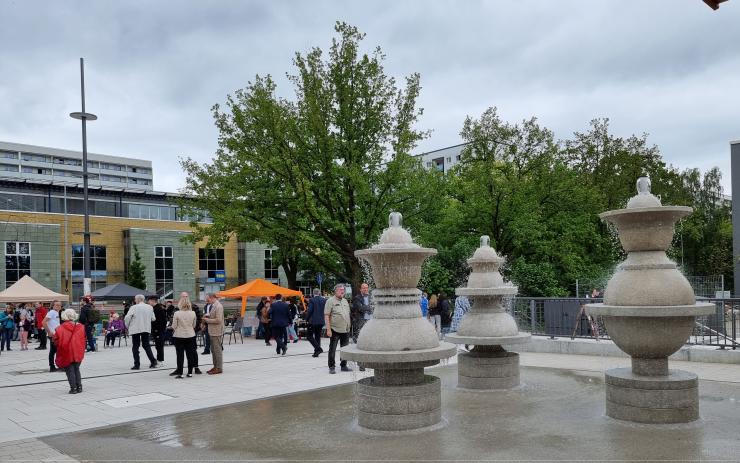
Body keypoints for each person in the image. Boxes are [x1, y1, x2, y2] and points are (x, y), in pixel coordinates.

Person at [54, 308, 86, 394]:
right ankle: (79, 387)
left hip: (66, 351)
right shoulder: (81, 327)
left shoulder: (59, 328)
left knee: (69, 370)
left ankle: (73, 388)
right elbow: (83, 339)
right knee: (76, 369)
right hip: (78, 351)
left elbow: (56, 341)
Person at [124, 294, 158, 370]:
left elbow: (127, 317)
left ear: (138, 300)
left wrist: (127, 326)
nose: (135, 301)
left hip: (135, 328)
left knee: (135, 346)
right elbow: (153, 318)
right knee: (146, 345)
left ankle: (137, 364)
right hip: (145, 328)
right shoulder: (149, 307)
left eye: (135, 299)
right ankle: (153, 361)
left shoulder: (134, 307)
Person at [325, 284, 351, 374]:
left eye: (343, 290)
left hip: (345, 329)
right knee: (332, 348)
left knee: (345, 348)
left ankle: (343, 365)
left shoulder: (345, 301)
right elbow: (326, 315)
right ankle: (331, 366)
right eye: (340, 290)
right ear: (335, 291)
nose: (342, 291)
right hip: (334, 329)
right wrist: (328, 329)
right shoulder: (330, 301)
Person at [170, 295, 198, 378]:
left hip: (179, 336)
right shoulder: (193, 313)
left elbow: (174, 326)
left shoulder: (177, 313)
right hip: (190, 335)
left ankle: (180, 373)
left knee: (180, 355)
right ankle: (189, 373)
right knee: (190, 354)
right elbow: (194, 325)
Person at [201, 293, 224, 375]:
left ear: (212, 298)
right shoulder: (213, 305)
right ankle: (215, 366)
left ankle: (219, 368)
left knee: (217, 350)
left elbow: (218, 320)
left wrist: (207, 320)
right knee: (213, 350)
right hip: (212, 330)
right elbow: (214, 316)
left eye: (208, 299)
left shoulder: (218, 306)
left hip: (216, 331)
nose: (207, 300)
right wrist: (208, 315)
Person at [306, 288, 326, 357]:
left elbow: (310, 311)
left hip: (313, 321)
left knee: (309, 336)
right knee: (318, 336)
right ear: (319, 293)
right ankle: (316, 352)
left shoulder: (312, 300)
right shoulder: (324, 300)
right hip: (321, 321)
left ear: (313, 293)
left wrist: (307, 319)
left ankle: (318, 349)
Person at [44, 301, 62, 372]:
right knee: (54, 351)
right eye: (57, 305)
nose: (58, 306)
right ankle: (53, 366)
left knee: (55, 350)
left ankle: (55, 366)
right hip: (53, 335)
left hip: (56, 334)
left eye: (60, 305)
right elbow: (44, 322)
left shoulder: (56, 312)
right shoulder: (51, 312)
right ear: (53, 306)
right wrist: (49, 332)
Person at [149, 296, 167, 363]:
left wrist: (157, 329)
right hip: (157, 329)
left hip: (159, 330)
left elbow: (161, 321)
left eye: (149, 301)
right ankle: (159, 359)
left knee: (159, 345)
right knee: (158, 345)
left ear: (153, 301)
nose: (149, 302)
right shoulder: (155, 308)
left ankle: (160, 360)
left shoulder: (158, 309)